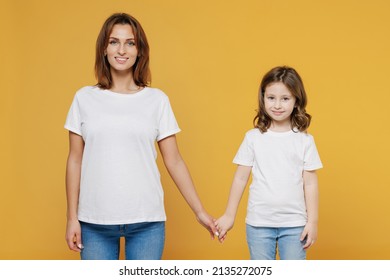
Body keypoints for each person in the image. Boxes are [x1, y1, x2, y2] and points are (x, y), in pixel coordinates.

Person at [64, 13, 217, 260]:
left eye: (130, 43)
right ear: (104, 48)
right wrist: (72, 218)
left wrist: (199, 212)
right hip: (93, 223)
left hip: (147, 222)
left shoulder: (157, 100)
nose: (122, 49)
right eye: (114, 42)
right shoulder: (84, 98)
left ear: (139, 51)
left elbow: (174, 160)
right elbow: (74, 160)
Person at [215, 66, 323, 260]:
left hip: (295, 225)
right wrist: (229, 216)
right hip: (259, 224)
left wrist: (313, 222)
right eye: (271, 98)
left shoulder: (305, 140)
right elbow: (240, 178)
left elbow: (310, 183)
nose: (277, 105)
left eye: (285, 98)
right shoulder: (253, 138)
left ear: (296, 100)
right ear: (263, 98)